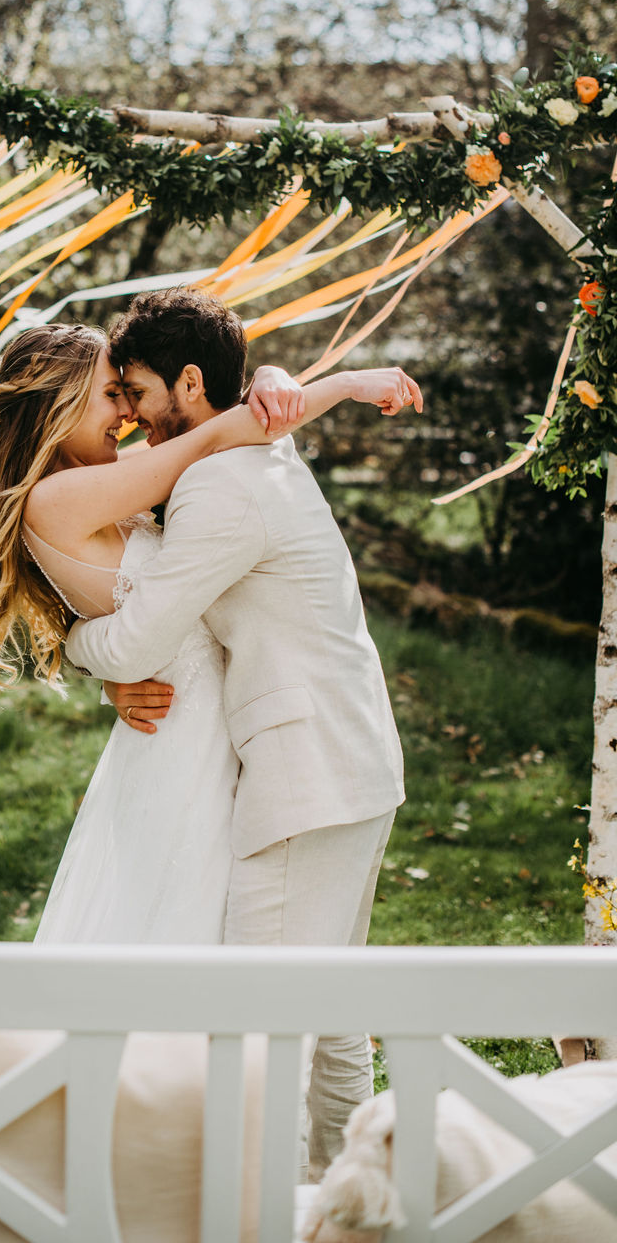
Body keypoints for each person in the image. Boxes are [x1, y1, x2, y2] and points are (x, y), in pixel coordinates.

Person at [65, 288, 418, 1177]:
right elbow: (265, 411)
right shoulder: (254, 452)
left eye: (139, 392)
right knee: (330, 1017)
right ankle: (351, 1207)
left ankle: (265, 1210)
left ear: (190, 384)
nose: (134, 414)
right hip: (350, 761)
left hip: (308, 777)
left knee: (258, 1024)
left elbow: (140, 636)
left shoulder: (222, 487)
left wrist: (73, 644)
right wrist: (293, 378)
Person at [0, 318, 418, 959]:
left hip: (222, 739)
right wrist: (338, 384)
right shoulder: (54, 498)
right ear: (59, 403)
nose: (127, 416)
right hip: (186, 745)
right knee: (203, 951)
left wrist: (270, 381)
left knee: (242, 958)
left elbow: (218, 432)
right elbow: (220, 432)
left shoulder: (106, 482)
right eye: (113, 395)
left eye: (127, 393)